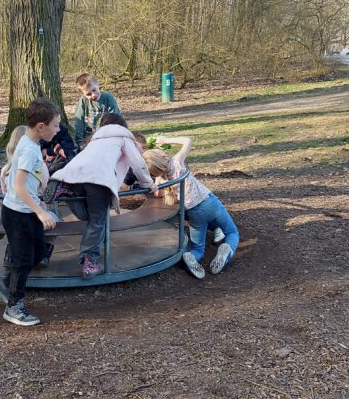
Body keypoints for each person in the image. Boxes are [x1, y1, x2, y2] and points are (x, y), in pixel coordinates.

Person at [48, 113, 156, 279]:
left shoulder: (95, 140)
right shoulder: (123, 137)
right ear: (123, 127)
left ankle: (65, 186)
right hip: (99, 179)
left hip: (75, 174)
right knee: (98, 221)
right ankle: (89, 261)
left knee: (88, 211)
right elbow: (138, 164)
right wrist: (149, 184)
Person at [0, 99, 60, 326]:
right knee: (23, 260)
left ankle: (5, 285)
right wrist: (40, 212)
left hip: (26, 211)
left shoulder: (28, 141)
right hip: (18, 214)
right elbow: (19, 185)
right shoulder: (29, 149)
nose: (58, 129)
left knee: (38, 253)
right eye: (55, 125)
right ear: (41, 126)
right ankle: (14, 307)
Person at [142, 137, 239, 278]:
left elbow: (157, 193)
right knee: (232, 232)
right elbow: (188, 141)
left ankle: (192, 256)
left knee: (198, 248)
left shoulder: (162, 179)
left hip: (194, 213)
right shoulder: (177, 162)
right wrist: (166, 140)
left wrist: (158, 176)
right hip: (209, 202)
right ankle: (227, 251)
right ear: (162, 156)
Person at [72, 72, 121, 146]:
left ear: (97, 85)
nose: (93, 95)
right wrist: (80, 142)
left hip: (107, 136)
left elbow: (115, 118)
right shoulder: (83, 101)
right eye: (88, 94)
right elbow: (79, 122)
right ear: (84, 94)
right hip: (89, 139)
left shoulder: (108, 98)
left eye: (94, 90)